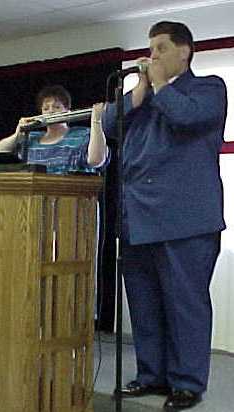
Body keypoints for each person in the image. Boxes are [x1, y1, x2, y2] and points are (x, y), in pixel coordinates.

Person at [102, 21, 227, 411]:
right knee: (143, 303)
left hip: (186, 221)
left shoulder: (208, 89)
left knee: (184, 303)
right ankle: (150, 374)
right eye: (150, 48)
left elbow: (186, 118)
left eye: (160, 48)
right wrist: (138, 91)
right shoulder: (141, 97)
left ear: (184, 51)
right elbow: (109, 126)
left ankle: (187, 382)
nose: (151, 55)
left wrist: (158, 86)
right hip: (137, 218)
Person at [0, 85, 108, 174]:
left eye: (57, 107)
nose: (51, 111)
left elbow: (96, 160)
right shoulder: (31, 137)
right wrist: (18, 133)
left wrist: (96, 121)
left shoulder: (82, 134)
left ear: (68, 111)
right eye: (46, 108)